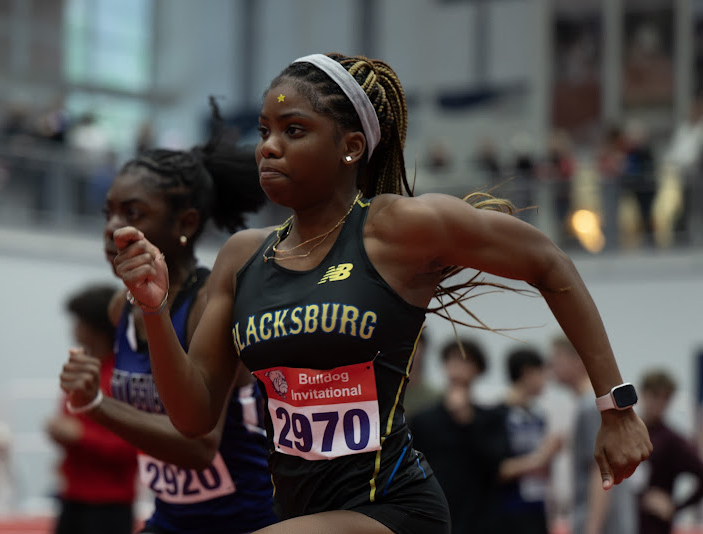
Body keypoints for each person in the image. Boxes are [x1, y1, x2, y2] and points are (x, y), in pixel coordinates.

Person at [110, 53, 652, 534]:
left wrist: (616, 407)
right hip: (297, 516)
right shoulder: (242, 256)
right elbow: (194, 417)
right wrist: (155, 309)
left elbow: (549, 261)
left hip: (392, 510)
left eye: (293, 130)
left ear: (350, 147)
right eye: (263, 130)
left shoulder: (398, 229)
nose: (268, 147)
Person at [59, 97, 276, 534]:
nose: (112, 227)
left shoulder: (208, 304)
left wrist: (97, 405)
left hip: (245, 523)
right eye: (108, 213)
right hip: (170, 518)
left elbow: (199, 447)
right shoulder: (121, 308)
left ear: (185, 223)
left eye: (132, 213)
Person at [46, 284, 138, 534]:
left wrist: (79, 436)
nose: (73, 328)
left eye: (79, 322)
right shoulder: (81, 368)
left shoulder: (124, 375)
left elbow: (134, 444)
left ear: (95, 328)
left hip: (110, 501)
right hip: (73, 495)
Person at [409, 339, 507, 534]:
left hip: (480, 516)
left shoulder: (492, 418)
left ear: (478, 369)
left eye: (466, 361)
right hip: (436, 514)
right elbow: (413, 469)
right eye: (452, 360)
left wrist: (467, 421)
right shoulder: (422, 419)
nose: (458, 367)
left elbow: (496, 466)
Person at [550, 335, 638, 534]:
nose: (552, 365)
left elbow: (601, 472)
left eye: (558, 358)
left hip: (603, 524)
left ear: (578, 360)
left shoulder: (591, 407)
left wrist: (592, 528)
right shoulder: (592, 405)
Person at [493, 347, 563, 534]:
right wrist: (541, 457)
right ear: (527, 372)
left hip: (538, 511)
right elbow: (496, 469)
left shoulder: (538, 417)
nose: (546, 380)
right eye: (542, 373)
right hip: (509, 514)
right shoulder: (497, 415)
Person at [635, 369, 703, 534]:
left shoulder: (671, 441)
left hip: (653, 526)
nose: (659, 403)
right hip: (622, 521)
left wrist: (675, 507)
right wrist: (640, 496)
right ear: (643, 394)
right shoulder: (627, 434)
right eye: (655, 395)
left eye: (665, 398)